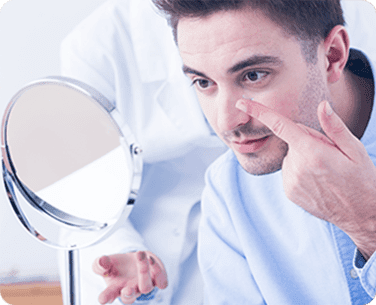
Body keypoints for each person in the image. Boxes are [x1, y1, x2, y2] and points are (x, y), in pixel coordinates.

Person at [152, 0, 376, 304]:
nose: (226, 122)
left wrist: (366, 223)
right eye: (204, 82)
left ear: (332, 56)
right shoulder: (228, 191)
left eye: (253, 76)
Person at [58, 0, 227, 304]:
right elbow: (87, 187)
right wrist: (124, 251)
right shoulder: (96, 45)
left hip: (247, 218)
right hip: (133, 225)